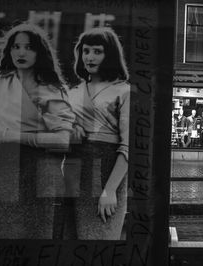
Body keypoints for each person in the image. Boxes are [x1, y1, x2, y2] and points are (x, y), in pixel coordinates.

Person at [0, 23, 75, 239]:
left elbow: (63, 140)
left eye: (29, 47)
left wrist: (10, 135)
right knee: (4, 239)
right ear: (9, 51)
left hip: (42, 173)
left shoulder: (51, 90)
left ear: (40, 53)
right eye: (16, 47)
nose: (21, 52)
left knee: (38, 239)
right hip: (5, 171)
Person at [67, 26, 129, 240]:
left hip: (107, 172)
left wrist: (110, 189)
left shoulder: (123, 91)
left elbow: (128, 146)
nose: (89, 57)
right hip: (74, 174)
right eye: (86, 51)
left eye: (97, 51)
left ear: (109, 55)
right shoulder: (72, 92)